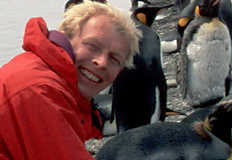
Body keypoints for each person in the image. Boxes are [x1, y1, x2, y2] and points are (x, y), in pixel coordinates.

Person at [0, 1, 140, 159]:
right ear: (66, 36)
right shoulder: (39, 90)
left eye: (114, 59)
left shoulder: (51, 79)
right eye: (92, 46)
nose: (101, 62)